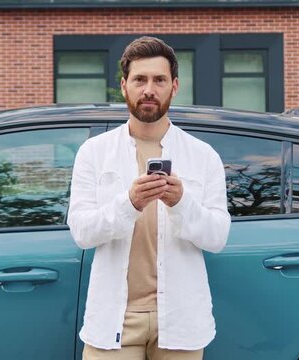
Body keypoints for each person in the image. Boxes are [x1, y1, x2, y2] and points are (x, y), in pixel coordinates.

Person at [67, 36, 231, 360]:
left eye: (159, 80)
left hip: (181, 319)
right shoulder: (94, 153)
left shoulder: (203, 156)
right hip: (114, 319)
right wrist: (129, 203)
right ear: (124, 85)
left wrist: (182, 202)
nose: (149, 90)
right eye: (140, 79)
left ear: (175, 86)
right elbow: (82, 232)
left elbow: (218, 237)